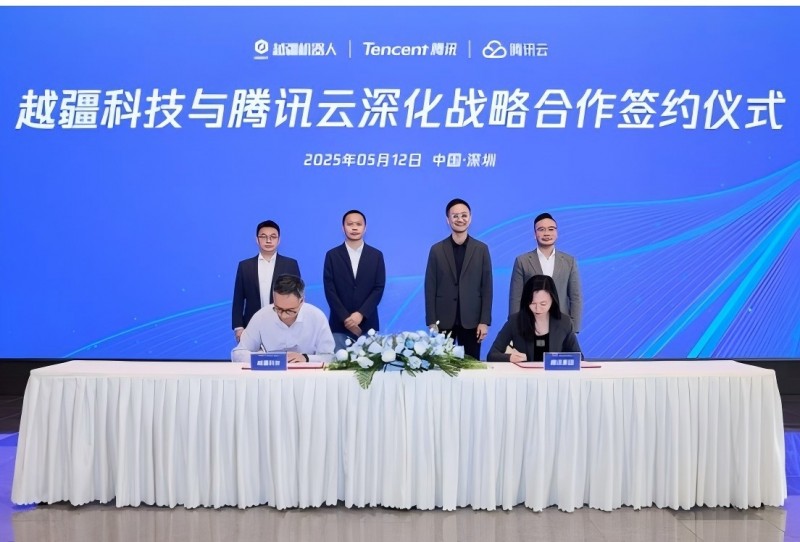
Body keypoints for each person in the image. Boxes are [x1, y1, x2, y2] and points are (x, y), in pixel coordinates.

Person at [424, 198, 493, 360]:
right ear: (447, 220)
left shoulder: (481, 249)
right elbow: (430, 287)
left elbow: (487, 288)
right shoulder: (437, 250)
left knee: (472, 366)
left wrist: (484, 321)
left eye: (464, 215)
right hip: (443, 321)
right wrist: (431, 321)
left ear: (470, 218)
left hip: (472, 321)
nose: (460, 219)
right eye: (455, 216)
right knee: (442, 367)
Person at [232, 274, 335, 364]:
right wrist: (266, 358)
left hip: (307, 376)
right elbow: (237, 354)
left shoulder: (317, 317)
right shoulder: (261, 316)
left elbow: (330, 357)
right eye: (279, 309)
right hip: (270, 375)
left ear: (302, 301)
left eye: (290, 310)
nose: (284, 315)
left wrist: (306, 358)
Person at [323, 210, 386, 351]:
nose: (354, 228)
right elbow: (330, 289)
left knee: (370, 364)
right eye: (350, 224)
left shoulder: (376, 255)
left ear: (365, 227)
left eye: (358, 224)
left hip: (368, 325)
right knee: (338, 364)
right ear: (343, 228)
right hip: (339, 325)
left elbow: (378, 288)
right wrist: (345, 317)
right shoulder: (332, 255)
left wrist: (361, 314)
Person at [508, 212, 583, 331]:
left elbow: (575, 297)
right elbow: (515, 298)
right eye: (541, 229)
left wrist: (574, 329)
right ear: (535, 234)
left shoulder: (569, 261)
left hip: (561, 326)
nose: (547, 233)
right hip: (530, 326)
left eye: (551, 229)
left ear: (557, 233)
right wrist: (514, 329)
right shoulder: (522, 261)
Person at [232, 220, 301, 343]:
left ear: (279, 240)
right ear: (257, 239)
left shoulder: (290, 264)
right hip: (251, 326)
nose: (268, 240)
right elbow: (238, 298)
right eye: (263, 236)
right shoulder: (245, 266)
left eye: (273, 237)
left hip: (283, 325)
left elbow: (297, 297)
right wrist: (238, 327)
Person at [489, 275, 581, 362]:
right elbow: (492, 355)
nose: (537, 309)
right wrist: (510, 357)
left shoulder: (564, 322)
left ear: (553, 300)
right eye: (532, 303)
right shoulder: (515, 321)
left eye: (543, 304)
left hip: (553, 373)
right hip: (525, 373)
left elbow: (579, 357)